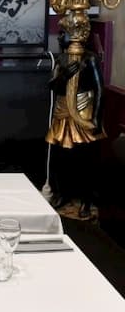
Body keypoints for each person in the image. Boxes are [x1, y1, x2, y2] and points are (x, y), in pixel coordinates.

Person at [46, 30, 105, 218]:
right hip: (63, 110)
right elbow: (52, 86)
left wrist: (96, 117)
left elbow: (99, 89)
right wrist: (62, 77)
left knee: (85, 158)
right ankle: (62, 193)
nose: (60, 37)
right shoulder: (62, 58)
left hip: (83, 109)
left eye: (64, 34)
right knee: (61, 156)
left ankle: (87, 200)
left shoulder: (90, 59)